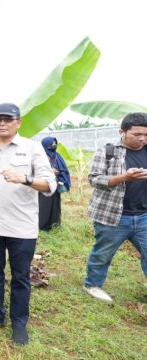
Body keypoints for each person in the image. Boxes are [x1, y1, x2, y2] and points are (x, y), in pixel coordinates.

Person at [0, 103, 55, 345]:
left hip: (22, 226)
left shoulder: (32, 148)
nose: (2, 123)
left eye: (8, 119)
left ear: (18, 122)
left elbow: (50, 185)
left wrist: (25, 179)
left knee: (20, 277)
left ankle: (19, 323)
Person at [83, 112, 147, 303]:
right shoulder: (107, 151)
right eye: (137, 134)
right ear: (122, 132)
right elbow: (94, 179)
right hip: (113, 216)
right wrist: (124, 178)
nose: (142, 139)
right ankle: (92, 284)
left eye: (145, 134)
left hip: (144, 216)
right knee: (103, 254)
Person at [38, 137, 71, 231]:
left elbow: (64, 169)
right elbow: (35, 170)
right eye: (52, 143)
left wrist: (61, 174)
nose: (54, 145)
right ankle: (42, 226)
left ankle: (54, 225)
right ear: (46, 144)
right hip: (44, 185)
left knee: (55, 205)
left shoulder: (57, 155)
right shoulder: (40, 156)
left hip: (56, 184)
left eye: (55, 143)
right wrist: (50, 171)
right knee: (44, 205)